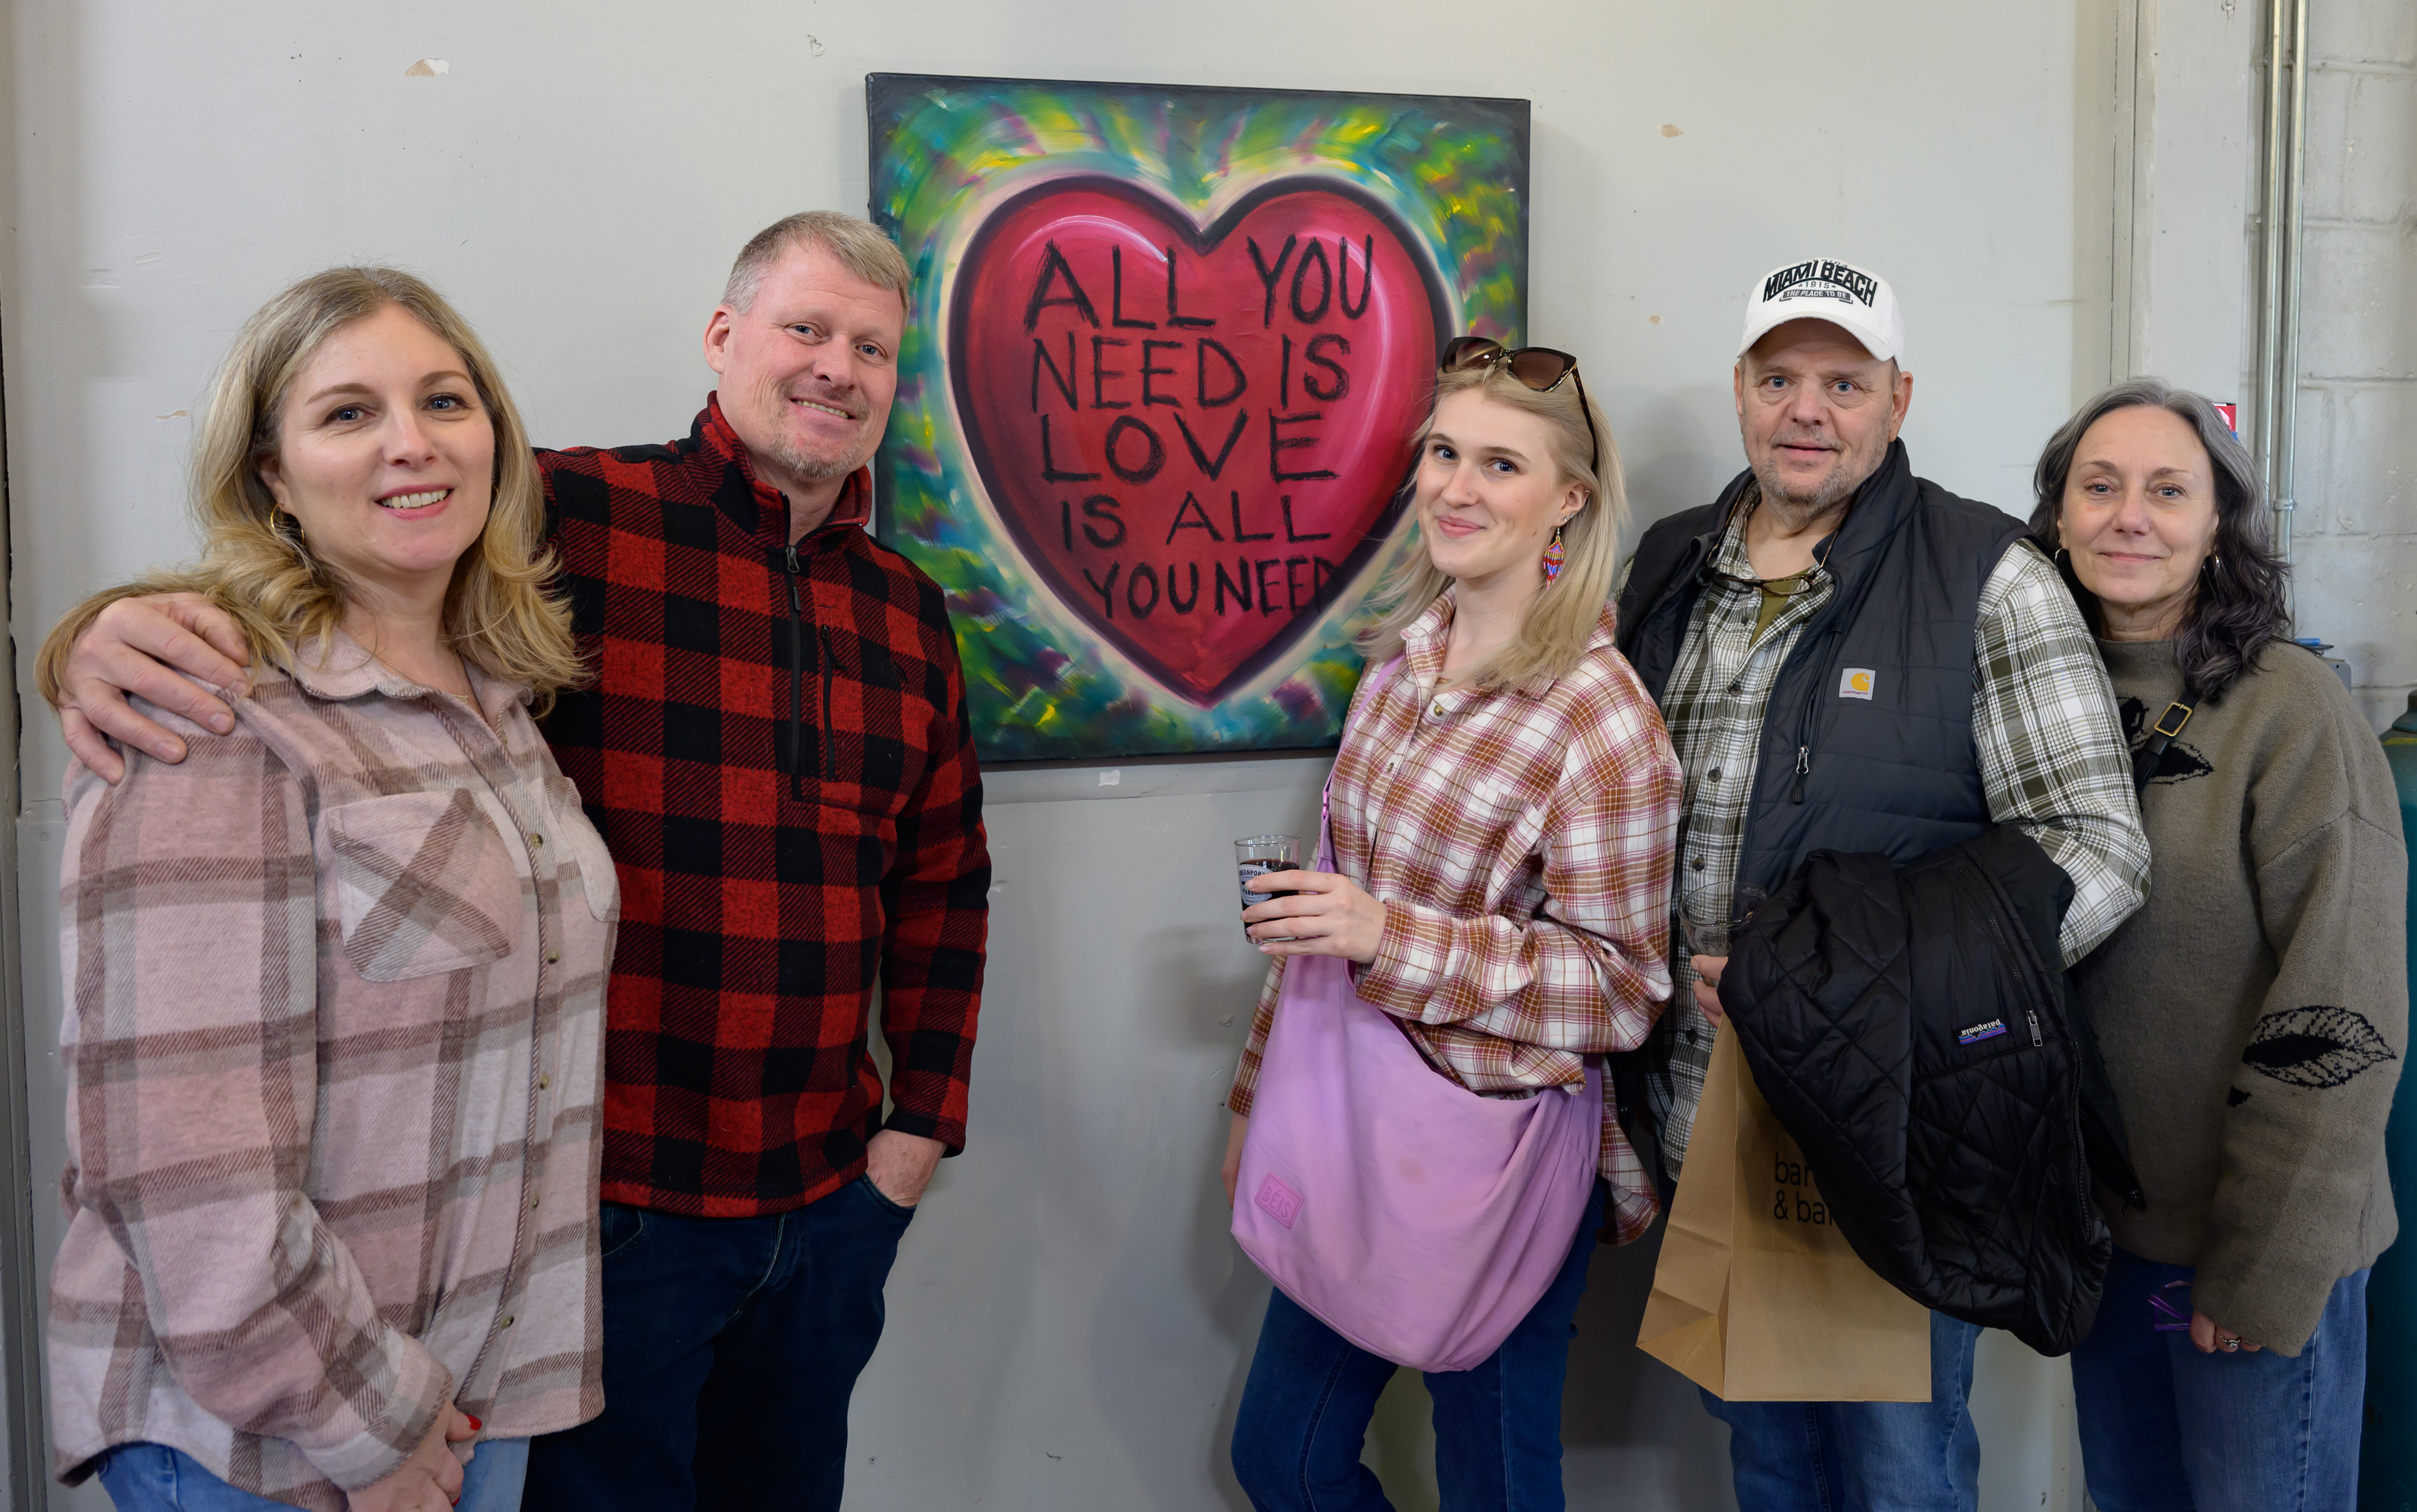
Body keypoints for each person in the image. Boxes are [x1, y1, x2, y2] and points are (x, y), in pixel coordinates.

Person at [44, 212, 992, 1512]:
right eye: (807, 328)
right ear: (724, 340)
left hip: (824, 1205)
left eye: (873, 348)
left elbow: (945, 883)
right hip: (609, 1216)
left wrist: (917, 1133)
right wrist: (98, 632)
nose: (838, 366)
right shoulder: (565, 513)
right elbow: (342, 558)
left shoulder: (907, 608)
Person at [38, 267, 608, 1512]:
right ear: (272, 477)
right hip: (277, 1437)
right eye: (347, 413)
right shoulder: (216, 716)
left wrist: (431, 1423)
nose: (411, 442)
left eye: (445, 400)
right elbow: (182, 1166)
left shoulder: (503, 710)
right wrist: (367, 1426)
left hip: (465, 1396)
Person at [1613, 259, 2151, 1512]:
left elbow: (2095, 848)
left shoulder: (1987, 575)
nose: (1806, 409)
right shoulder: (1665, 566)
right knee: (1767, 1469)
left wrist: (1855, 995)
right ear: (1739, 390)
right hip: (1707, 1129)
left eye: (1842, 382)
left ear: (1895, 399)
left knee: (1898, 1477)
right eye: (1778, 376)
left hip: (1892, 1133)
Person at [1221, 338, 1683, 1512]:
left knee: (1499, 1483)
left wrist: (1391, 934)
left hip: (1496, 1156)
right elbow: (1326, 901)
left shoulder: (1603, 720)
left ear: (1567, 502)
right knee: (1284, 1453)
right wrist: (1255, 1094)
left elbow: (1624, 987)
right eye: (1443, 452)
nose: (1457, 488)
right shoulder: (1401, 662)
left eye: (1500, 464)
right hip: (1348, 1127)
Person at [2033, 380, 2404, 1512]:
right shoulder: (2042, 701)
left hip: (2251, 1254)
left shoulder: (2287, 705)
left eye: (2166, 490)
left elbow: (2343, 1001)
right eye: (2099, 486)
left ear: (2219, 525)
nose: (2127, 516)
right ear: (2056, 515)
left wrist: (2266, 1262)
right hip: (2111, 1244)